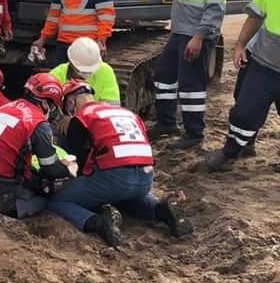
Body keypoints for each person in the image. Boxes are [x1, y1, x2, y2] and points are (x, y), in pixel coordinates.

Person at [45, 81, 192, 246]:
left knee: (58, 201)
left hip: (114, 177)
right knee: (126, 198)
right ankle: (163, 211)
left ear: (71, 102)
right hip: (145, 177)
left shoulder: (81, 119)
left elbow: (78, 164)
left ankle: (98, 223)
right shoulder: (127, 113)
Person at [150, 0, 230, 149]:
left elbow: (215, 9)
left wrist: (199, 37)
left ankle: (194, 133)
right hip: (180, 33)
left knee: (191, 85)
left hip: (195, 36)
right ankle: (167, 123)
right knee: (164, 76)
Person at [0, 73, 72, 218]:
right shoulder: (38, 123)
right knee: (45, 196)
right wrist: (68, 170)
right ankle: (7, 206)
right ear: (45, 103)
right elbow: (50, 168)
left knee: (30, 175)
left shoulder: (2, 109)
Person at [207, 0, 280, 171]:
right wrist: (240, 44)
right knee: (245, 111)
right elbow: (255, 18)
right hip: (264, 65)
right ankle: (231, 151)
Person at [49, 37, 121, 105]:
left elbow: (112, 105)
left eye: (89, 72)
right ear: (71, 62)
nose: (85, 76)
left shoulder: (105, 71)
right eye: (82, 72)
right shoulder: (56, 76)